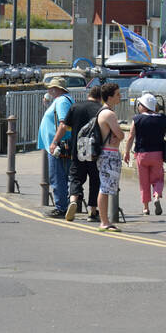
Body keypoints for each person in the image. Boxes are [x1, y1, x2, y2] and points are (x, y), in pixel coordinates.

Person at [52, 83, 103, 222]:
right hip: (95, 150)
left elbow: (65, 126)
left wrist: (55, 142)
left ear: (89, 95)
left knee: (75, 177)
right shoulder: (101, 109)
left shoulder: (76, 107)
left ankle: (74, 200)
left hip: (78, 148)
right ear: (101, 98)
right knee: (95, 179)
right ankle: (92, 212)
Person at [125, 92, 166, 216]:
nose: (139, 106)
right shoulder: (162, 118)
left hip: (142, 154)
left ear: (144, 106)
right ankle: (156, 196)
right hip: (157, 154)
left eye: (140, 104)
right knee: (158, 178)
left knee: (143, 181)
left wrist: (126, 152)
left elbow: (130, 136)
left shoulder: (137, 119)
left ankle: (145, 208)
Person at [37, 78, 73, 218]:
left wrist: (54, 141)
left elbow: (63, 123)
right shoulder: (61, 100)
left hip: (59, 145)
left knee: (58, 176)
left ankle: (61, 207)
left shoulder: (62, 101)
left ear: (56, 89)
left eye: (50, 88)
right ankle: (64, 205)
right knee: (60, 176)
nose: (48, 90)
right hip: (59, 144)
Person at [95, 82, 124, 231]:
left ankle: (105, 221)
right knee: (105, 188)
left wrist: (117, 136)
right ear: (110, 97)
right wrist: (120, 135)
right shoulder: (109, 114)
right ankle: (104, 221)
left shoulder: (103, 112)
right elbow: (120, 134)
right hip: (109, 154)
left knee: (105, 187)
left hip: (106, 153)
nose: (120, 97)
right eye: (118, 94)